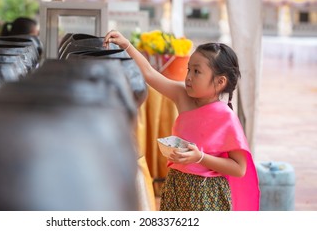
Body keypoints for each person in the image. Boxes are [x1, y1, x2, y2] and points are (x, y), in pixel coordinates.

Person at [103, 30, 260, 211]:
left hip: (207, 194)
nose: (189, 77)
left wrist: (200, 157)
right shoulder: (181, 95)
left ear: (220, 82)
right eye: (188, 69)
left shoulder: (226, 117)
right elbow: (150, 74)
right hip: (176, 185)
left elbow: (239, 168)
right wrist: (126, 45)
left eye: (197, 71)